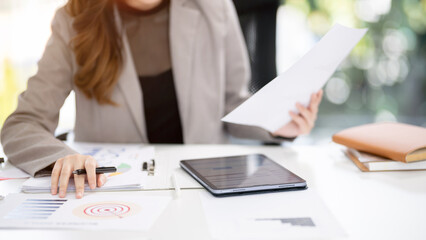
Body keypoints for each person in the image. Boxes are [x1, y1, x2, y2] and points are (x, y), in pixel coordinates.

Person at [1, 0, 323, 199]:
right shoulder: (72, 20)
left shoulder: (214, 7)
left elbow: (230, 104)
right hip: (114, 194)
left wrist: (278, 123)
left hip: (203, 190)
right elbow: (22, 124)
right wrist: (59, 158)